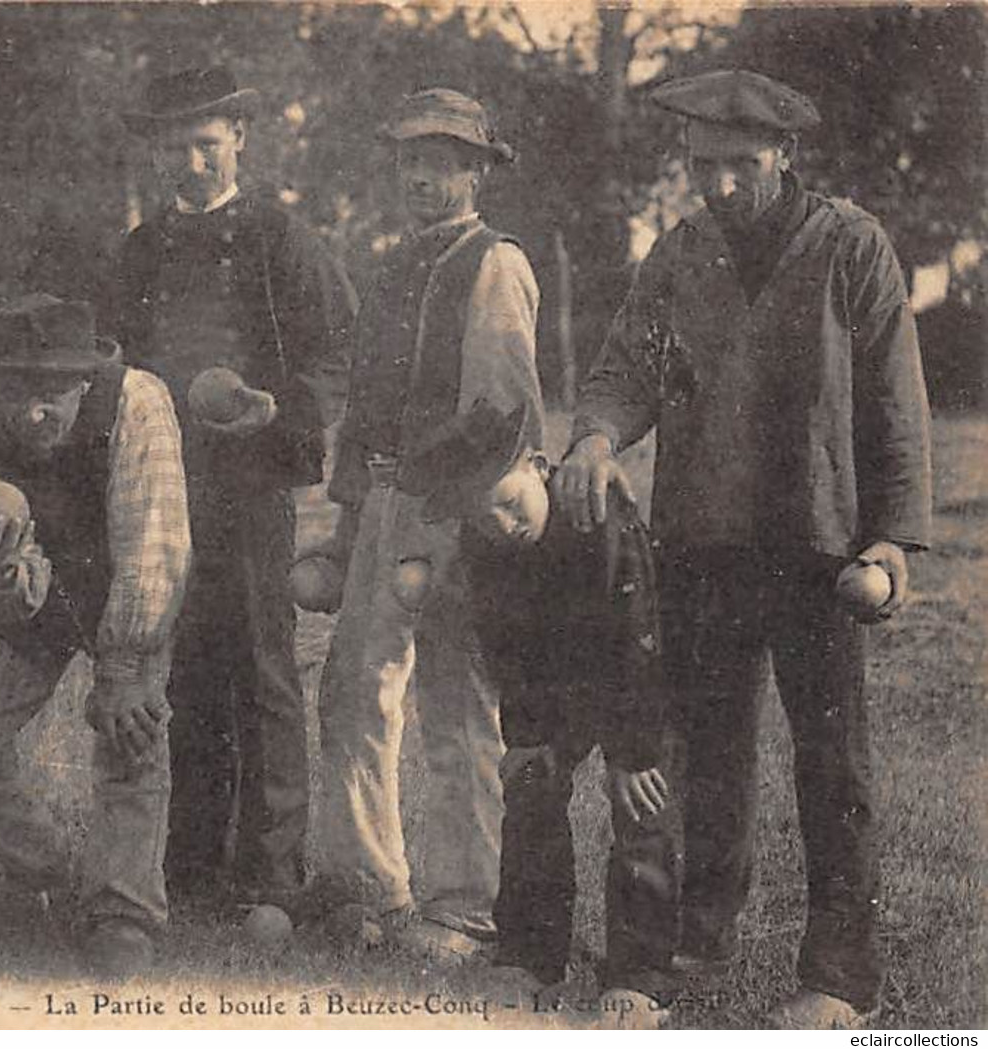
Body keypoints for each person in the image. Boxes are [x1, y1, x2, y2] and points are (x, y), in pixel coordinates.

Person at [554, 69, 932, 1028]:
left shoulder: (850, 244)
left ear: (784, 156)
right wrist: (596, 432)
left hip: (819, 552)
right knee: (690, 758)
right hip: (699, 545)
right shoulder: (677, 255)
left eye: (737, 166)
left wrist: (889, 541)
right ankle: (680, 946)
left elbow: (894, 404)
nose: (715, 186)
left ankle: (838, 974)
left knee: (831, 766)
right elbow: (625, 368)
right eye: (699, 167)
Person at [113, 65, 351, 914]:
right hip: (163, 490)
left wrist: (275, 412)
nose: (191, 163)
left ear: (239, 140)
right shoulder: (140, 249)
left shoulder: (280, 240)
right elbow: (116, 369)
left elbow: (332, 354)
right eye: (175, 148)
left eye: (206, 145)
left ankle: (272, 877)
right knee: (187, 675)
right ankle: (192, 864)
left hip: (249, 488)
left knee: (263, 670)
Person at [311, 88, 541, 963]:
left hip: (457, 502)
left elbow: (503, 407)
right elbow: (364, 405)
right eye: (408, 158)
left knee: (454, 697)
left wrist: (436, 494)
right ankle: (369, 887)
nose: (419, 174)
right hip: (380, 500)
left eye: (440, 159)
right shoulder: (393, 265)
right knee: (355, 688)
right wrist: (347, 518)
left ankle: (463, 904)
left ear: (477, 171)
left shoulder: (495, 262)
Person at [0, 294, 191, 976]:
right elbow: (7, 594)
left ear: (83, 379)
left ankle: (122, 909)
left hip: (130, 579)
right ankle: (52, 871)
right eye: (16, 391)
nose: (32, 413)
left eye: (50, 392)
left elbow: (152, 544)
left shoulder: (136, 403)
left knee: (131, 734)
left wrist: (124, 668)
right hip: (49, 587)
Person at [421, 402, 675, 1027]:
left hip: (633, 679)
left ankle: (639, 974)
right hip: (551, 691)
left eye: (509, 504)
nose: (502, 525)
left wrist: (633, 751)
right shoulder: (486, 549)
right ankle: (530, 954)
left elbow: (639, 634)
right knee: (530, 788)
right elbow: (506, 650)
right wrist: (528, 736)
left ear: (539, 466)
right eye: (482, 516)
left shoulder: (598, 514)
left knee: (642, 805)